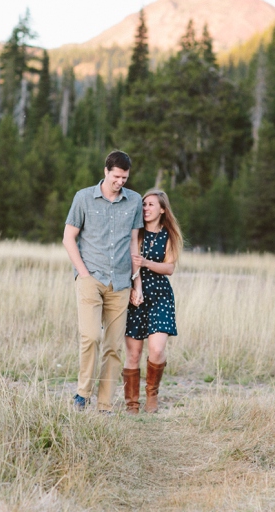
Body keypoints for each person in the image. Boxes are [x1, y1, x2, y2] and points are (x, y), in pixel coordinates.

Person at [62, 151, 144, 413]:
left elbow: (133, 243)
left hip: (121, 282)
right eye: (117, 177)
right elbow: (68, 238)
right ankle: (82, 394)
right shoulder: (83, 197)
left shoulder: (134, 201)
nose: (121, 182)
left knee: (113, 346)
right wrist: (83, 274)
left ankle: (105, 404)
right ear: (106, 171)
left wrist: (136, 283)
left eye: (125, 178)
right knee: (90, 337)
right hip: (91, 278)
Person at [123, 189, 184, 414]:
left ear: (162, 209)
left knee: (157, 350)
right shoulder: (134, 233)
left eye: (150, 205)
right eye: (144, 204)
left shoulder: (168, 235)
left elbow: (169, 268)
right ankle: (131, 404)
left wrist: (146, 262)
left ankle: (152, 394)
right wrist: (133, 287)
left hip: (160, 296)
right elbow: (127, 263)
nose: (146, 208)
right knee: (133, 353)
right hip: (134, 297)